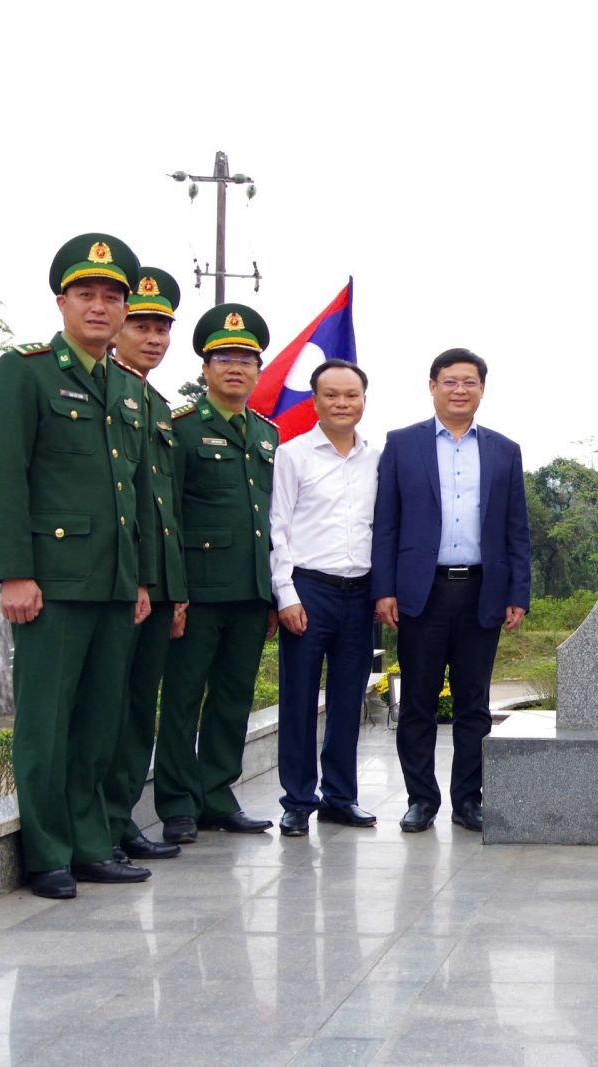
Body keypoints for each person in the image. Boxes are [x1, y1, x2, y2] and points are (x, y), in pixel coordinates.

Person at [0, 233, 156, 898]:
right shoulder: (24, 371)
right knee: (47, 722)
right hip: (51, 581)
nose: (100, 306)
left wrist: (141, 579)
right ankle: (47, 852)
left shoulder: (129, 389)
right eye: (86, 293)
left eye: (112, 296)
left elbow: (136, 494)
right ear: (62, 301)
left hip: (114, 583)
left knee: (100, 724)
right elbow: (4, 477)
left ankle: (89, 843)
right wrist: (13, 572)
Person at [372, 348, 532, 834]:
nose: (459, 390)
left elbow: (516, 527)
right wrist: (384, 588)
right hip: (421, 593)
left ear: (482, 389)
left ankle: (468, 801)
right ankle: (421, 800)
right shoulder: (402, 443)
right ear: (432, 386)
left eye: (469, 382)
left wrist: (518, 592)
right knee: (417, 703)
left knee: (473, 704)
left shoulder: (504, 450)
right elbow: (386, 522)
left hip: (483, 591)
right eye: (450, 381)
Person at [154, 304, 280, 843]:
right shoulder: (180, 429)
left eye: (246, 360)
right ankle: (177, 802)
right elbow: (168, 515)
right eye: (224, 358)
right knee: (183, 698)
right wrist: (175, 592)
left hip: (250, 591)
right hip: (198, 591)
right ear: (205, 368)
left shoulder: (268, 435)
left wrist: (272, 594)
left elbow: (271, 519)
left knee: (233, 697)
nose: (235, 368)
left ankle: (217, 795)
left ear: (258, 371)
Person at [270, 359, 380, 837]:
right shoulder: (293, 455)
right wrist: (286, 594)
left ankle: (340, 796)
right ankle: (298, 800)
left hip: (360, 593)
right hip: (308, 590)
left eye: (351, 395)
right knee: (298, 699)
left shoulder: (377, 459)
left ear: (363, 400)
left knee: (348, 700)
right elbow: (278, 528)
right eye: (331, 395)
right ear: (315, 401)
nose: (342, 403)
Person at [101, 266, 188, 865]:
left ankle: (122, 816)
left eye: (162, 329)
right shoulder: (105, 389)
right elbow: (119, 504)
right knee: (106, 707)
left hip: (157, 584)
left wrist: (173, 590)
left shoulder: (156, 404)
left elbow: (164, 508)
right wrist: (134, 579)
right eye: (141, 326)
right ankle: (99, 824)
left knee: (138, 708)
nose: (154, 338)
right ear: (117, 329)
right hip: (120, 581)